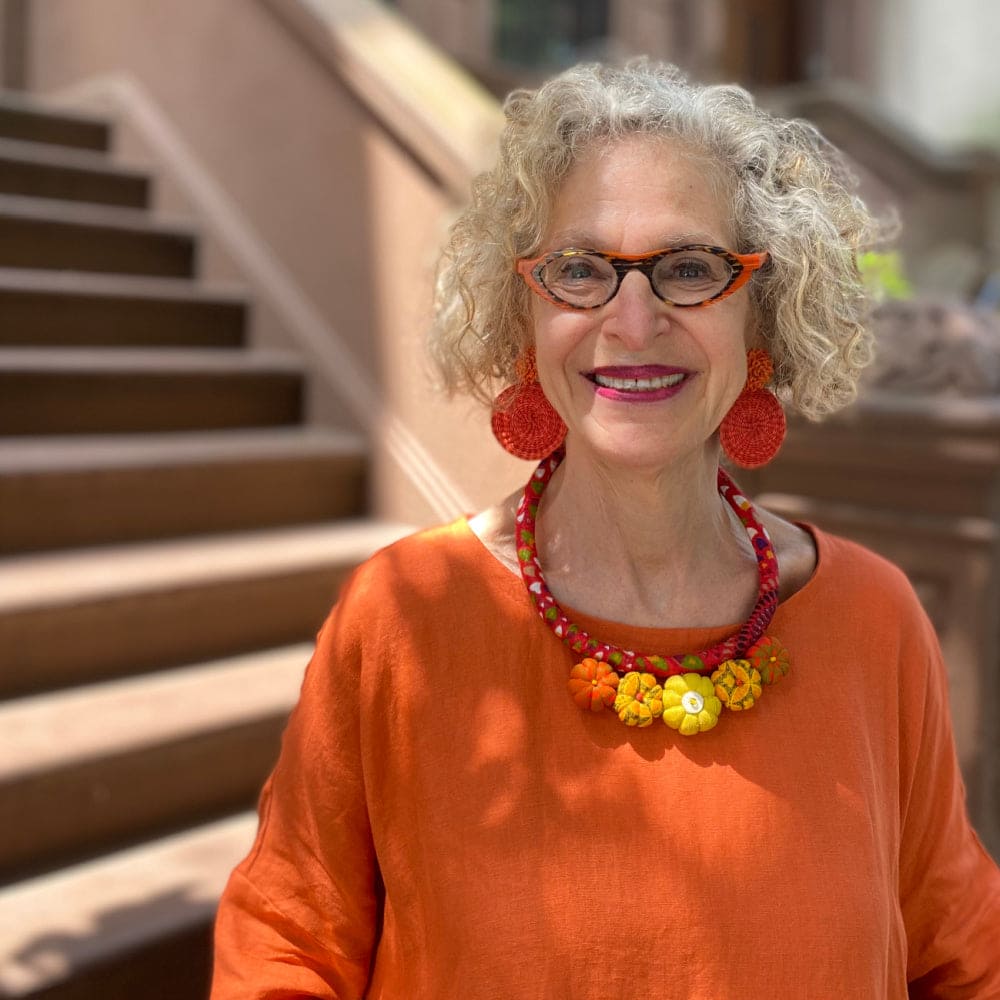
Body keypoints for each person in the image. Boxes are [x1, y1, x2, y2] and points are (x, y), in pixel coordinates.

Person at [210, 61, 1000, 999]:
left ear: (764, 312)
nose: (633, 321)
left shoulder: (874, 619)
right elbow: (283, 947)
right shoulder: (402, 621)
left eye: (691, 268)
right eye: (580, 270)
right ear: (525, 312)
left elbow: (965, 954)